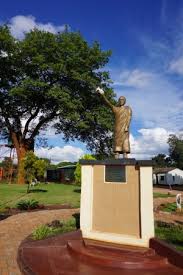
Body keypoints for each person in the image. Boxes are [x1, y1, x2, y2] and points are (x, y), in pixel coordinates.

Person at [96, 87, 132, 158]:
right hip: (117, 128)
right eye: (120, 99)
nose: (121, 100)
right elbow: (108, 103)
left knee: (125, 143)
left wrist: (126, 126)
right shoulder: (116, 109)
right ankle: (116, 157)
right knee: (117, 145)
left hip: (125, 129)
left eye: (123, 99)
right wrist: (102, 95)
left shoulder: (128, 108)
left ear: (125, 101)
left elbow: (129, 118)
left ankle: (126, 157)